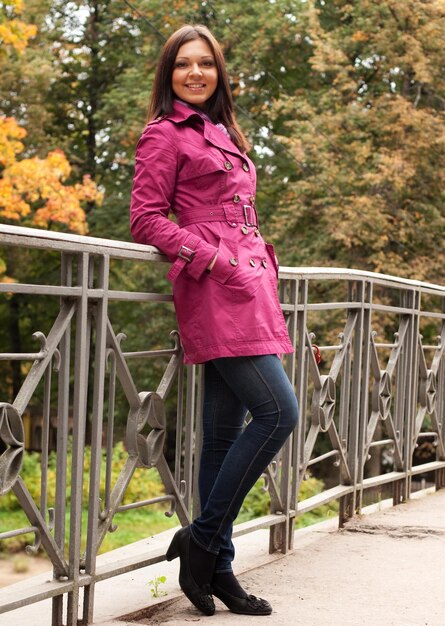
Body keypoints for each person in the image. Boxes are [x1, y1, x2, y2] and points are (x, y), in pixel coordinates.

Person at [130, 24, 298, 617]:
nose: (195, 73)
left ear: (219, 73)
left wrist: (251, 276)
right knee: (281, 412)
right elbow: (146, 220)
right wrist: (215, 260)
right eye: (183, 65)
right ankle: (202, 541)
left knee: (225, 433)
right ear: (168, 74)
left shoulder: (225, 132)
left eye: (205, 64)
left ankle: (218, 568)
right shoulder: (163, 135)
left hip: (249, 288)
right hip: (214, 287)